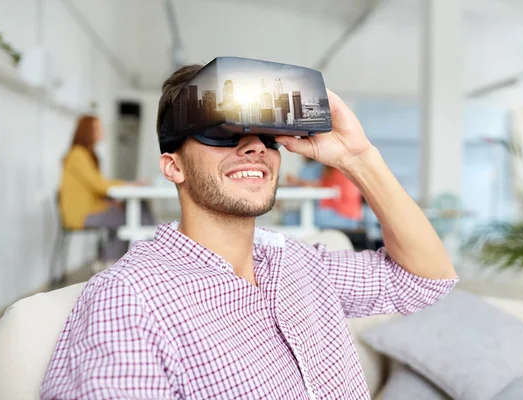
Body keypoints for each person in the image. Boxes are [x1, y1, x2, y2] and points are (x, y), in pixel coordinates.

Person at [41, 64, 458, 399]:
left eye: (265, 135)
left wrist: (359, 158)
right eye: (222, 133)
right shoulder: (131, 300)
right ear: (173, 166)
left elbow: (424, 282)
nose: (254, 146)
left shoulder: (300, 262)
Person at [59, 115, 155, 267]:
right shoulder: (77, 154)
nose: (102, 130)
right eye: (98, 128)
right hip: (82, 215)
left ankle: (134, 258)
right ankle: (112, 261)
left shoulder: (85, 155)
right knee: (132, 217)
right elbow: (99, 185)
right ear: (88, 131)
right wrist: (130, 184)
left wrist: (110, 200)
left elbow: (94, 188)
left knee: (136, 212)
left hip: (92, 209)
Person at [284, 164, 363, 231]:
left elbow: (343, 193)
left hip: (345, 217)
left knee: (291, 218)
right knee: (294, 217)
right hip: (343, 215)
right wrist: (298, 182)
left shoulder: (342, 170)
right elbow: (322, 185)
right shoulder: (333, 170)